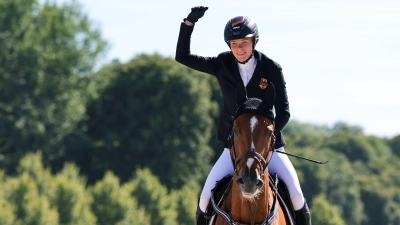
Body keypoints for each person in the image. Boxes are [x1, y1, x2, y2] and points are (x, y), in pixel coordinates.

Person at [175, 6, 311, 225]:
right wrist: (188, 24)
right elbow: (182, 57)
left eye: (244, 43)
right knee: (204, 200)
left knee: (296, 196)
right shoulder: (221, 64)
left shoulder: (271, 68)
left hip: (270, 149)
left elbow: (284, 112)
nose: (239, 49)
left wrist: (267, 139)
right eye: (234, 44)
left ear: (254, 41)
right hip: (234, 149)